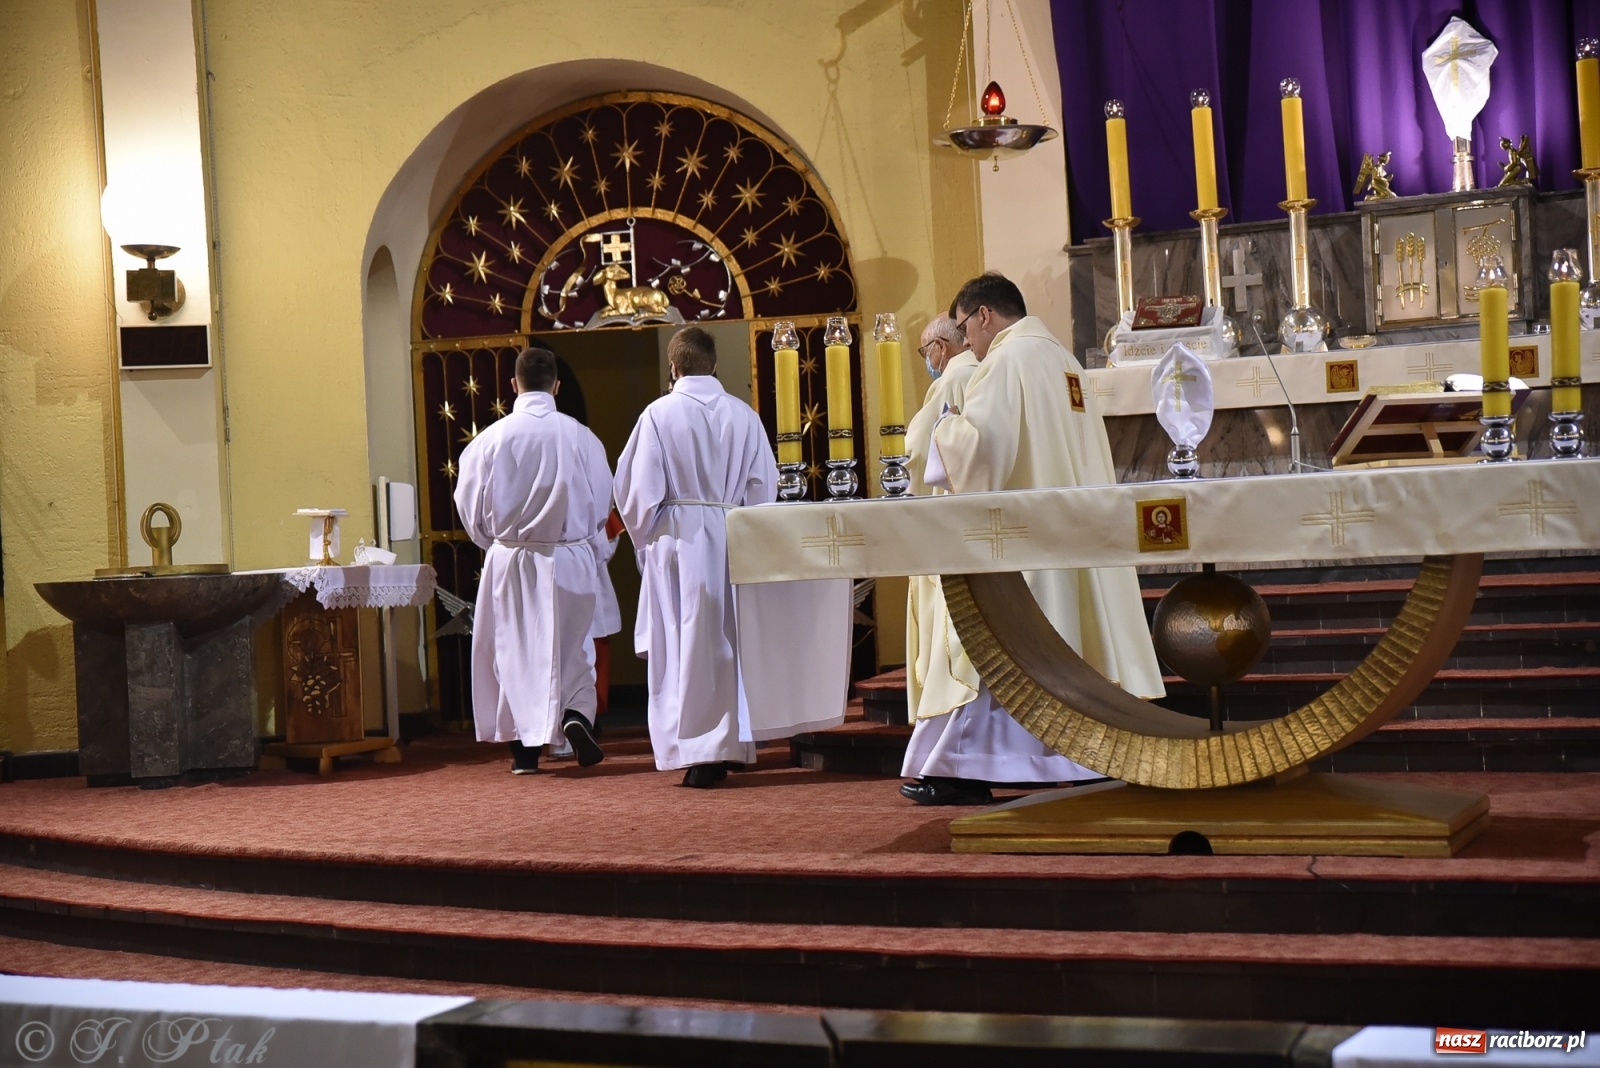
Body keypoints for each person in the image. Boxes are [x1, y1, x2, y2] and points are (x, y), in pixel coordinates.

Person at [901, 273, 1165, 806]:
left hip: (1026, 544)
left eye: (964, 328)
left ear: (982, 315)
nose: (966, 344)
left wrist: (944, 429)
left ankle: (969, 767)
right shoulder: (1065, 361)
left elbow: (982, 451)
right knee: (1071, 647)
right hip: (1075, 535)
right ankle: (1079, 758)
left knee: (1007, 652)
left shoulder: (1007, 361)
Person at [614, 326, 778, 788]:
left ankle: (696, 750)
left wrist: (644, 538)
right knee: (726, 642)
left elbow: (635, 492)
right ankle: (728, 743)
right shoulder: (744, 416)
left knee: (682, 644)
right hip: (733, 536)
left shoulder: (657, 415)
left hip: (678, 542)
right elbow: (764, 489)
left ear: (674, 367)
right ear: (714, 364)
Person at [453, 346, 611, 774]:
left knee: (513, 652)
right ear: (557, 386)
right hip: (571, 556)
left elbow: (469, 508)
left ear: (512, 386)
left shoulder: (490, 440)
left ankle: (525, 752)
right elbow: (601, 504)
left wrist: (499, 543)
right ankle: (576, 716)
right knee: (574, 650)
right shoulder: (582, 438)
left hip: (513, 558)